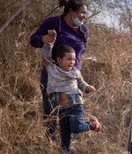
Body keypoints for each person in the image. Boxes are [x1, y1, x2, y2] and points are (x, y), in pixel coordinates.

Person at [30, 0, 89, 139]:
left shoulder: (83, 30)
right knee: (51, 110)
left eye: (86, 14)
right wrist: (44, 39)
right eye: (82, 13)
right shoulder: (54, 23)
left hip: (72, 78)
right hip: (53, 74)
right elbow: (33, 40)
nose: (84, 16)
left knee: (70, 112)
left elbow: (82, 52)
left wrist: (76, 72)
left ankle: (66, 146)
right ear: (71, 12)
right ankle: (49, 141)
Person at [42, 37, 100, 154]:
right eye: (69, 59)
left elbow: (81, 83)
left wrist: (87, 88)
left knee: (76, 127)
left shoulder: (75, 72)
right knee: (65, 132)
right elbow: (46, 56)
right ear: (58, 59)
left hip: (76, 103)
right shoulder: (52, 69)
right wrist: (49, 44)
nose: (72, 62)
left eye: (73, 60)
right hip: (61, 106)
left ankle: (93, 125)